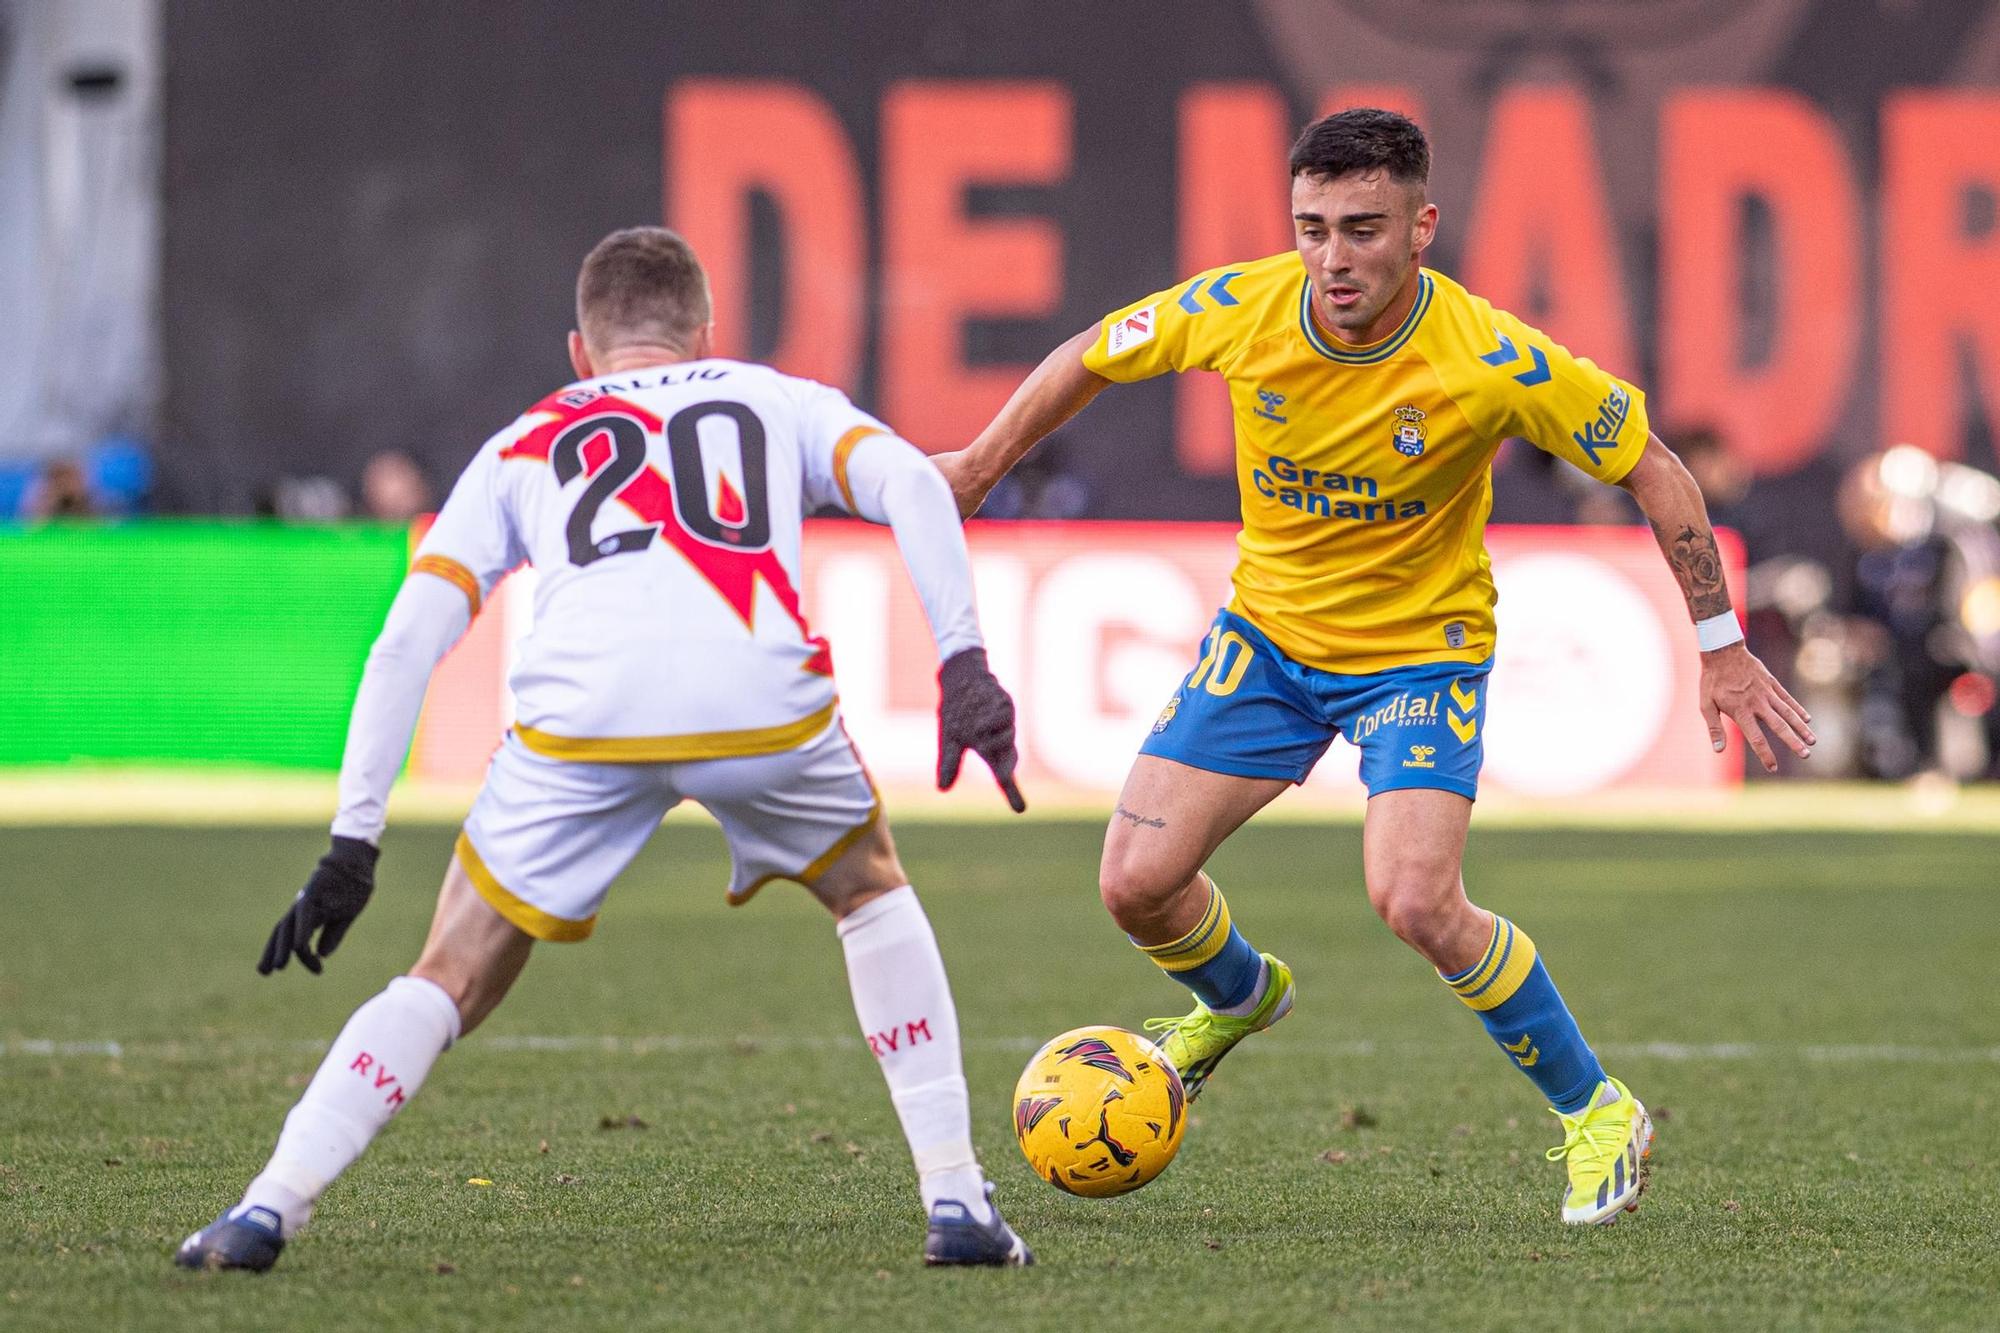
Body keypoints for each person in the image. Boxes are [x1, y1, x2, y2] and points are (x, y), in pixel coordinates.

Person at [934, 109, 1813, 1226]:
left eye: (1361, 228)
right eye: (1311, 228)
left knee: (1412, 898)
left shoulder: (1488, 358)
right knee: (1133, 886)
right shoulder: (1238, 307)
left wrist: (1718, 643)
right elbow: (1088, 357)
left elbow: (1655, 468)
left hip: (1416, 655)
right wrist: (974, 462)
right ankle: (1238, 996)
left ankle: (1595, 1110)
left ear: (1420, 226)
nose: (1333, 258)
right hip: (1267, 642)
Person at [177, 227, 1034, 1272]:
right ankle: (955, 1202)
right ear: (703, 332)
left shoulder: (521, 440)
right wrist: (961, 663)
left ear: (581, 350)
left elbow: (407, 639)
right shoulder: (778, 397)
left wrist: (351, 844)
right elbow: (910, 485)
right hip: (757, 700)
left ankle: (266, 1208)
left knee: (450, 970)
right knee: (870, 891)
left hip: (579, 719)